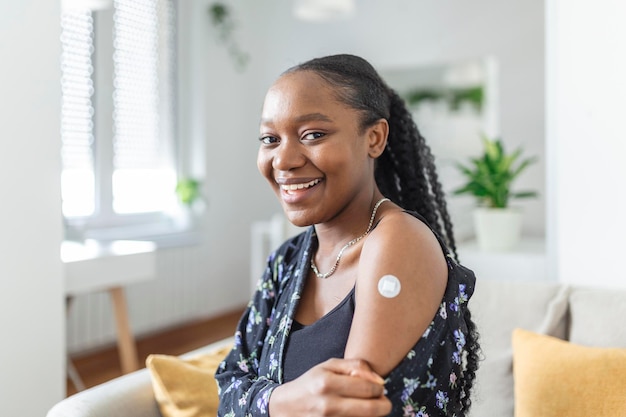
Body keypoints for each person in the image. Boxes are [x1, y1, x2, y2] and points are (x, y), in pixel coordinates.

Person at [215, 53, 480, 417]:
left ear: (374, 138)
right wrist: (286, 401)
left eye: (313, 135)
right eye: (269, 139)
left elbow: (347, 410)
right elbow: (227, 381)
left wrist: (262, 400)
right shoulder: (288, 260)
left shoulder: (398, 240)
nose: (284, 160)